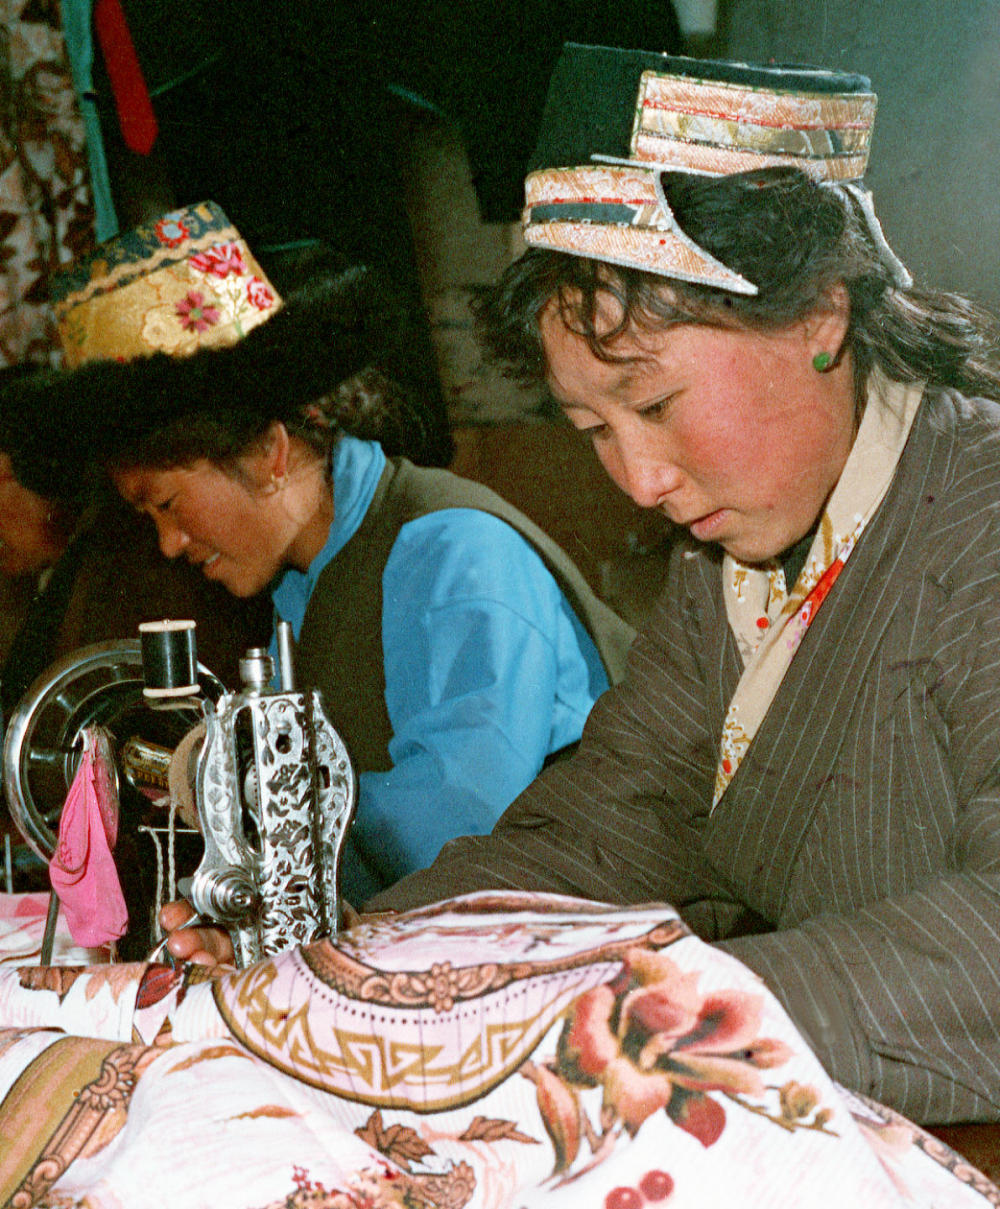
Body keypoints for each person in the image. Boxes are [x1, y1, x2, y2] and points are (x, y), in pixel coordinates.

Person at [356, 47, 1000, 1127]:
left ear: (820, 314)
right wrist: (355, 965)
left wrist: (658, 1008)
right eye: (594, 430)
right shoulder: (729, 578)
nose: (640, 481)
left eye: (653, 405)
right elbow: (601, 828)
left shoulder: (979, 518)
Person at [18, 254, 633, 923]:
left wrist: (241, 807)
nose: (168, 543)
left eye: (166, 503)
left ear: (269, 453)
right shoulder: (304, 588)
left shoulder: (454, 554)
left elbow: (457, 819)